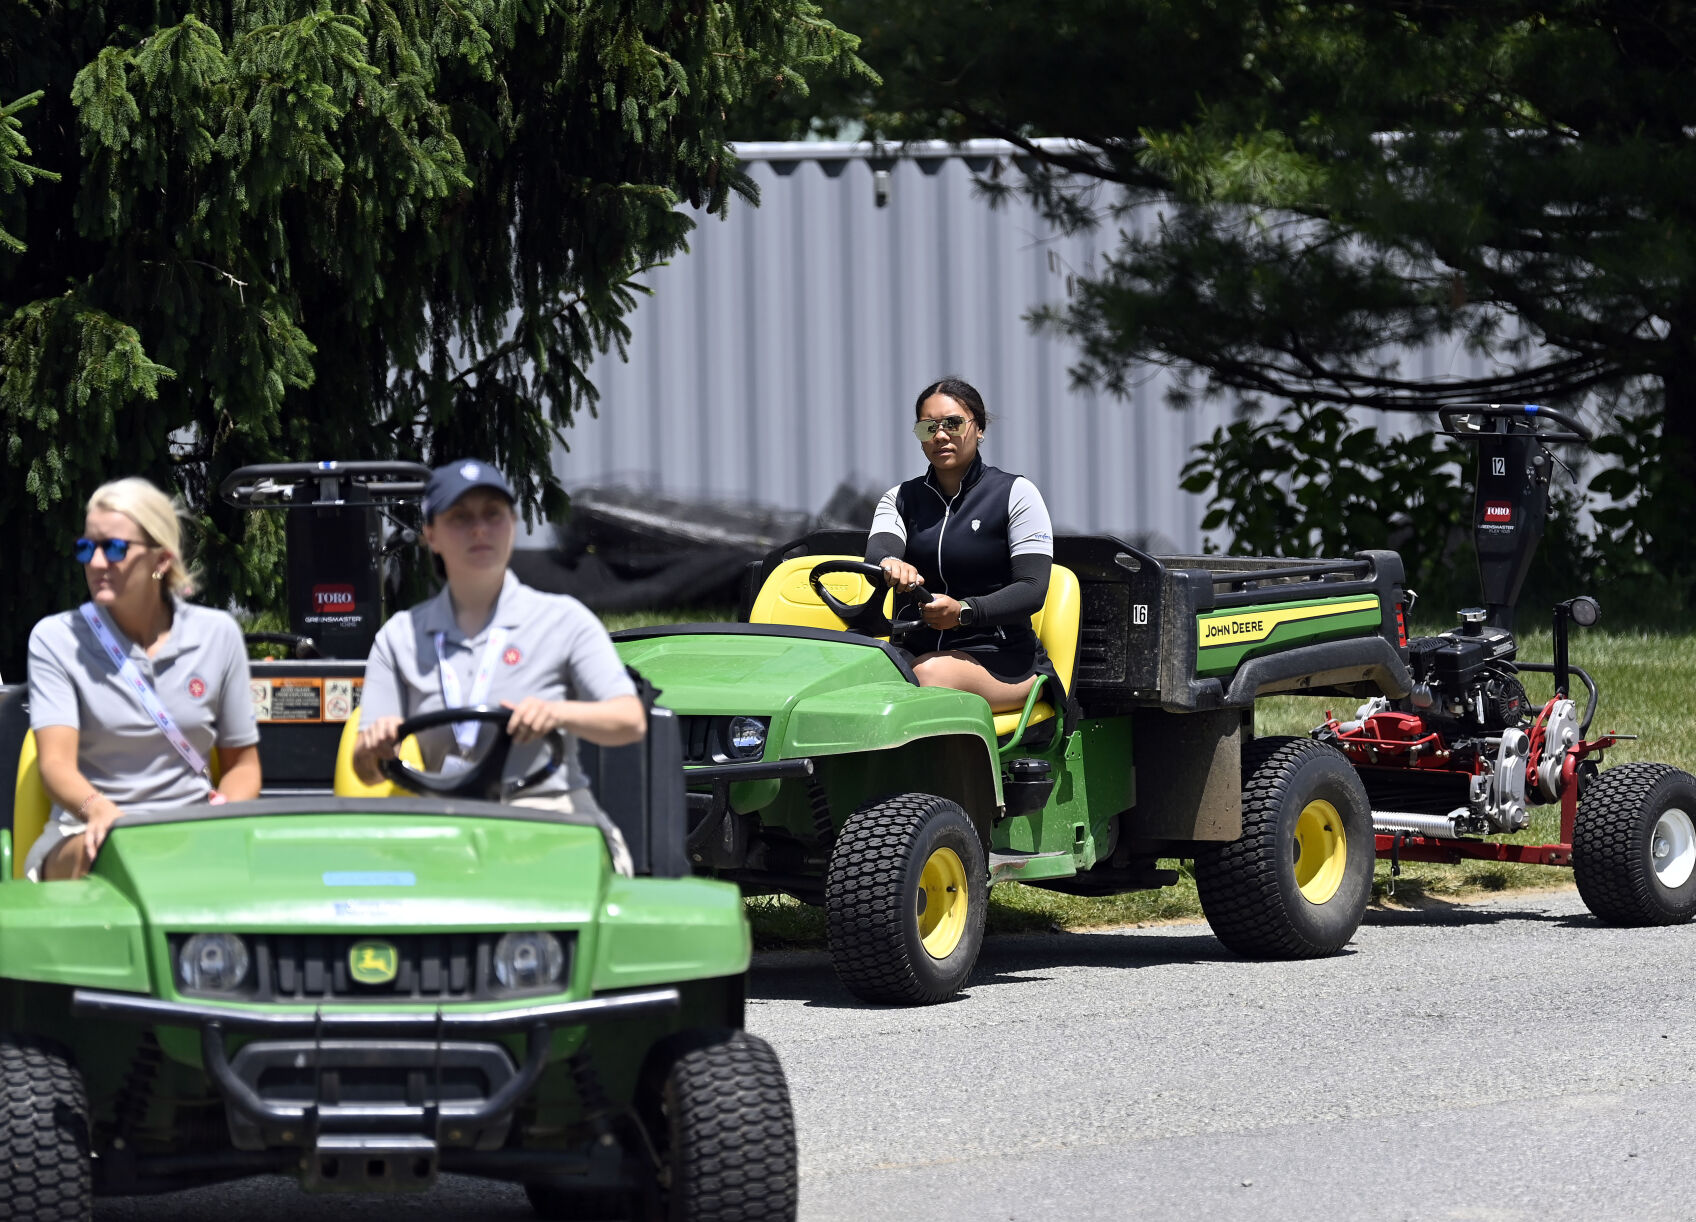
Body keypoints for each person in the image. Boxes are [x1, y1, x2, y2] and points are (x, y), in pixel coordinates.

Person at [352, 459, 646, 873]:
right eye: (461, 517)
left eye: (493, 514)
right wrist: (374, 748)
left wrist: (556, 712)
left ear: (512, 523)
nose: (479, 529)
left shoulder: (564, 619)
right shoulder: (398, 638)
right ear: (430, 535)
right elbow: (366, 774)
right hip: (447, 826)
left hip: (550, 813)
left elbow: (629, 719)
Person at [26, 478, 263, 881]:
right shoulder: (56, 639)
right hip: (86, 832)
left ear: (161, 560)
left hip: (192, 831)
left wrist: (226, 812)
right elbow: (54, 764)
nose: (97, 562)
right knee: (113, 864)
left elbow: (243, 765)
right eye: (87, 548)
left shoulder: (218, 634)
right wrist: (99, 810)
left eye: (115, 548)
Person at [868, 377, 1060, 713]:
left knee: (926, 676)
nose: (940, 435)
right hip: (915, 654)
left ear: (980, 428)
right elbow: (879, 552)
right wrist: (889, 563)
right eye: (927, 428)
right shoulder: (899, 498)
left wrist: (964, 612)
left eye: (953, 424)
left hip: (1003, 660)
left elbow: (1032, 589)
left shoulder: (1017, 494)